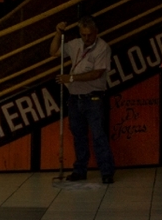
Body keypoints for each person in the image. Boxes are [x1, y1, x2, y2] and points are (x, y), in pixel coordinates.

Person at [50, 16, 116, 184]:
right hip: (75, 98)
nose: (86, 38)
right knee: (78, 135)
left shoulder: (102, 48)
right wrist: (58, 33)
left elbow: (97, 73)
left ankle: (106, 172)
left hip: (93, 97)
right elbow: (53, 52)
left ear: (96, 32)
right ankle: (80, 170)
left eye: (89, 35)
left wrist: (70, 78)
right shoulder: (75, 44)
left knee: (98, 135)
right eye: (83, 35)